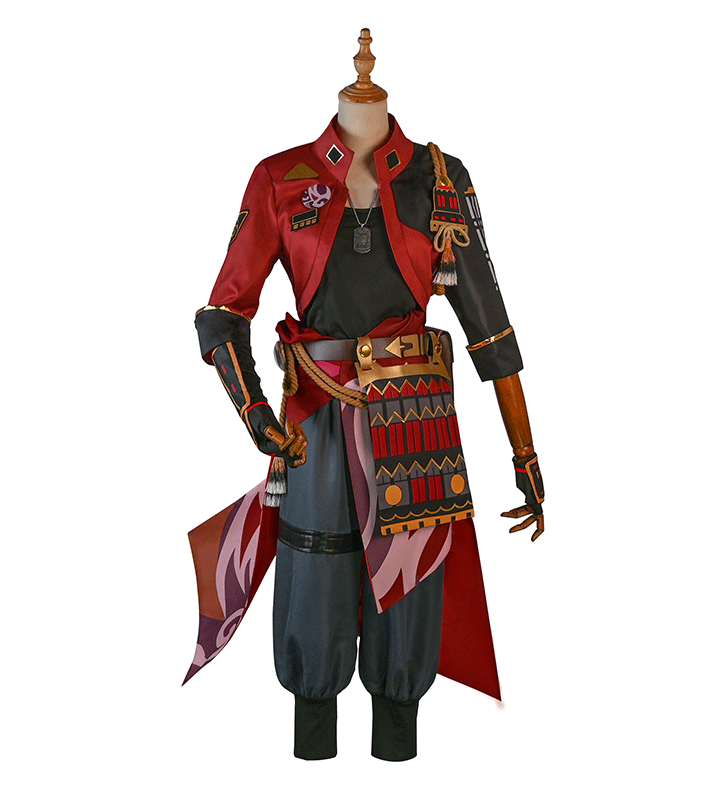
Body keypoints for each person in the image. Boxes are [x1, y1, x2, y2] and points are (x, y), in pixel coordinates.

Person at [185, 29, 545, 761]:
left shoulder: (441, 180)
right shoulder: (280, 177)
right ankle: (312, 753)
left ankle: (398, 753)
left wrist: (526, 454)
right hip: (313, 427)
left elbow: (490, 330)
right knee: (314, 582)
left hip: (415, 424)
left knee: (407, 598)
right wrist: (256, 414)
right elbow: (221, 315)